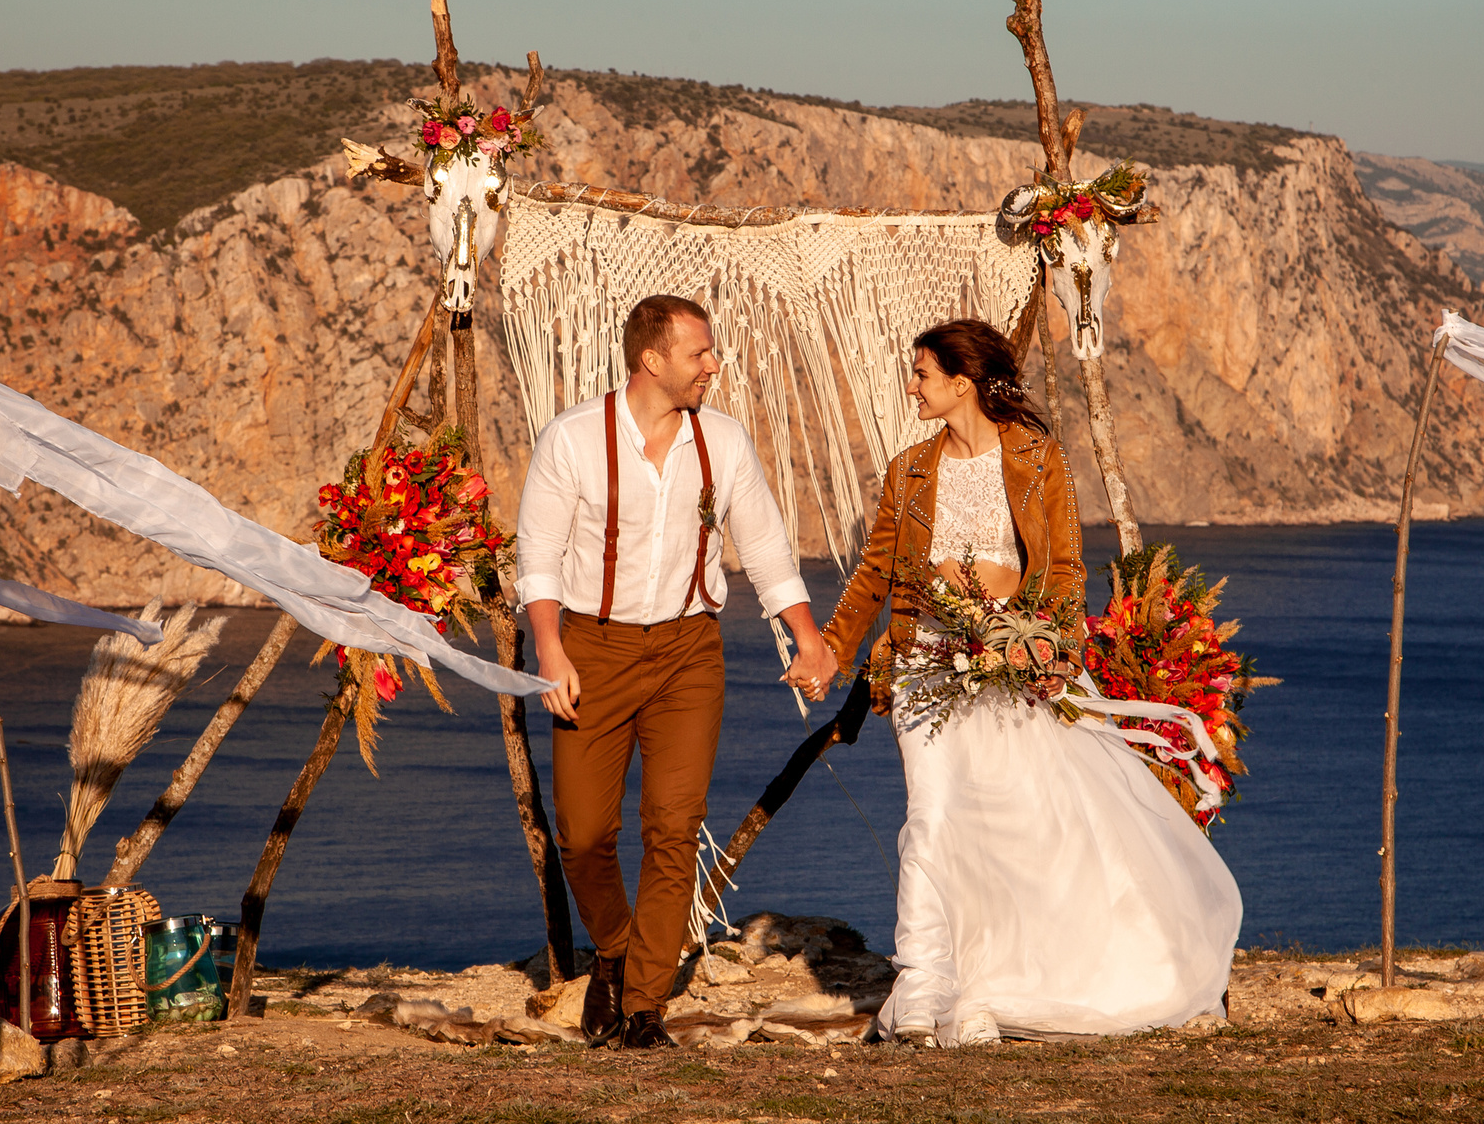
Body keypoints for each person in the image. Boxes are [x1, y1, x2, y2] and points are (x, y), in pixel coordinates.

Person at [805, 317, 1242, 1046]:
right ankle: (921, 979)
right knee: (933, 814)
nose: (910, 385)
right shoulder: (908, 469)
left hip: (1011, 664)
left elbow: (1065, 567)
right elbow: (875, 573)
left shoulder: (1039, 458)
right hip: (923, 662)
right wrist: (830, 647)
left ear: (961, 382)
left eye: (921, 373)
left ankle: (999, 972)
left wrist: (1046, 647)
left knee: (1012, 822)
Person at [517, 294, 841, 1049]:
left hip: (689, 652)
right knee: (584, 831)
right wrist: (550, 647)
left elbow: (763, 549)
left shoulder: (721, 442)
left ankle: (643, 1007)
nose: (712, 366)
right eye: (700, 353)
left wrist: (807, 638)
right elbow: (535, 558)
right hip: (591, 648)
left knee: (673, 827)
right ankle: (617, 949)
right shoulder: (572, 440)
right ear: (651, 360)